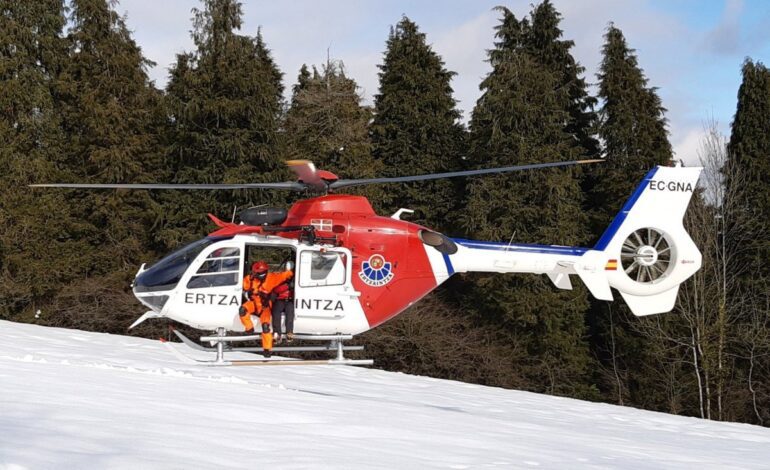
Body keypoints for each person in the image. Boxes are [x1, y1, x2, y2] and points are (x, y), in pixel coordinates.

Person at [238, 261, 293, 357]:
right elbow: (241, 289)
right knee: (242, 310)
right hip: (254, 303)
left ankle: (267, 349)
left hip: (265, 307)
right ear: (254, 272)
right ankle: (249, 328)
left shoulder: (272, 278)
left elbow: (284, 275)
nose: (262, 275)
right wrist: (248, 294)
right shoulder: (248, 279)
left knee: (266, 326)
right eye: (260, 273)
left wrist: (292, 271)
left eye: (264, 272)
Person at [271, 261, 295, 344]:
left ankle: (289, 332)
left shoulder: (296, 278)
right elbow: (276, 289)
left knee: (290, 312)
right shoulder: (280, 278)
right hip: (280, 299)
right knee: (276, 312)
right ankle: (277, 332)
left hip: (290, 300)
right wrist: (287, 286)